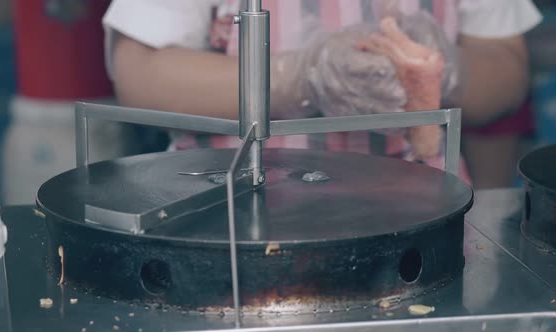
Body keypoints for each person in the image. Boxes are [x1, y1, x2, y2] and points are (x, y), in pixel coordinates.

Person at [102, 0, 541, 185]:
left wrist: (445, 72)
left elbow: (507, 69)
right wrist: (298, 76)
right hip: (230, 223)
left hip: (426, 220)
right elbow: (139, 71)